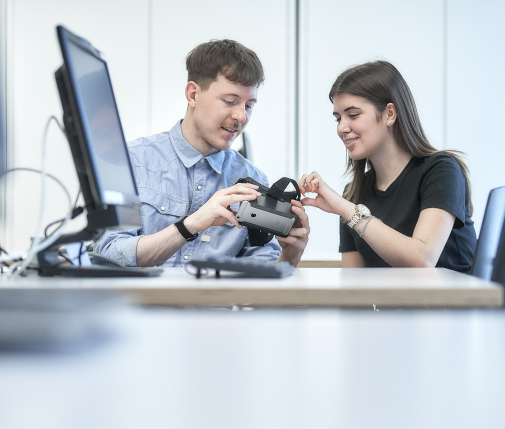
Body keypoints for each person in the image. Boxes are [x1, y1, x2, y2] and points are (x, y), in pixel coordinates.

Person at [95, 39, 309, 267]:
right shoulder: (133, 161)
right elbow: (109, 253)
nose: (241, 117)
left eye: (248, 105)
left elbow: (261, 286)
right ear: (193, 94)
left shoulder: (254, 181)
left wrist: (289, 256)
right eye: (230, 101)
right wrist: (189, 226)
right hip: (141, 304)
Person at [299, 60, 476, 271]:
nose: (342, 128)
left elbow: (422, 260)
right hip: (392, 304)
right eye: (338, 118)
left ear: (390, 114)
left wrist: (346, 210)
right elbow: (354, 290)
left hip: (450, 303)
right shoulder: (354, 193)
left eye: (353, 115)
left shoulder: (441, 170)